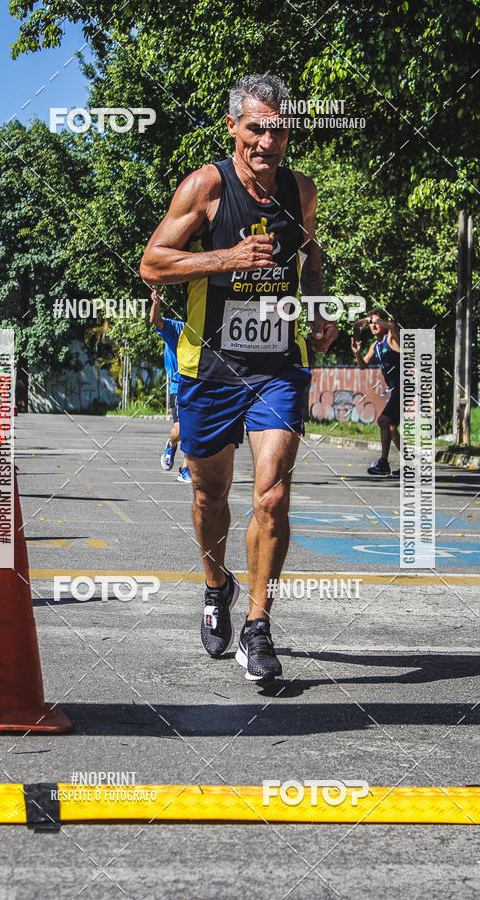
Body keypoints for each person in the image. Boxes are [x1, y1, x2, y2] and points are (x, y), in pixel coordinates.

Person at [140, 73, 338, 682]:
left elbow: (309, 256)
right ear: (233, 127)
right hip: (211, 367)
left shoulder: (300, 191)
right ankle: (215, 584)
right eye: (256, 128)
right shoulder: (206, 188)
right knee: (210, 496)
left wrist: (318, 306)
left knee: (272, 493)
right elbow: (152, 263)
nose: (266, 142)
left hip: (279, 365)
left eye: (278, 131)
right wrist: (225, 258)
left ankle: (258, 627)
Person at [351, 309, 401, 476]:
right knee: (391, 427)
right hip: (396, 389)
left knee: (383, 420)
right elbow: (363, 366)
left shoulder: (391, 338)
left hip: (405, 386)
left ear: (382, 323)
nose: (373, 325)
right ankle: (406, 465)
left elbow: (392, 325)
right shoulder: (375, 346)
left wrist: (368, 320)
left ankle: (384, 462)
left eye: (376, 322)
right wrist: (357, 352)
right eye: (371, 323)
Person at [149, 288, 191, 483]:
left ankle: (185, 469)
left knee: (192, 430)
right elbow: (155, 320)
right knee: (180, 430)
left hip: (198, 385)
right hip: (178, 386)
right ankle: (172, 444)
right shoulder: (176, 328)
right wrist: (156, 302)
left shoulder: (208, 334)